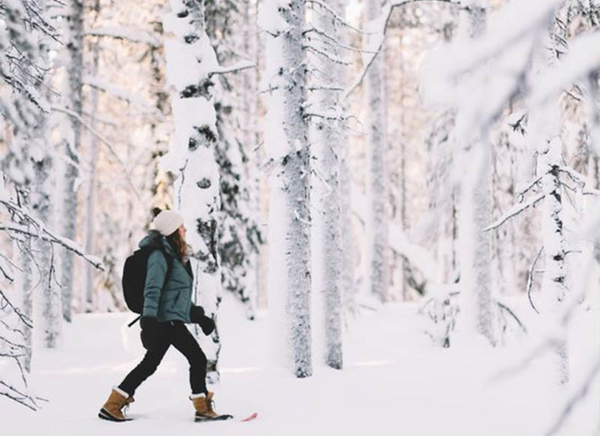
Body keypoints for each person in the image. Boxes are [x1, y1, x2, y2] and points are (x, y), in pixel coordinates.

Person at [99, 209, 222, 422]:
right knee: (197, 359)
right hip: (163, 321)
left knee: (150, 364)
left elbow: (174, 297)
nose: (185, 229)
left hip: (167, 319)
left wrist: (199, 317)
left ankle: (113, 404)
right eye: (181, 226)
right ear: (173, 230)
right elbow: (153, 289)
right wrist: (148, 320)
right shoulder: (159, 256)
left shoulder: (173, 255)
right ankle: (202, 408)